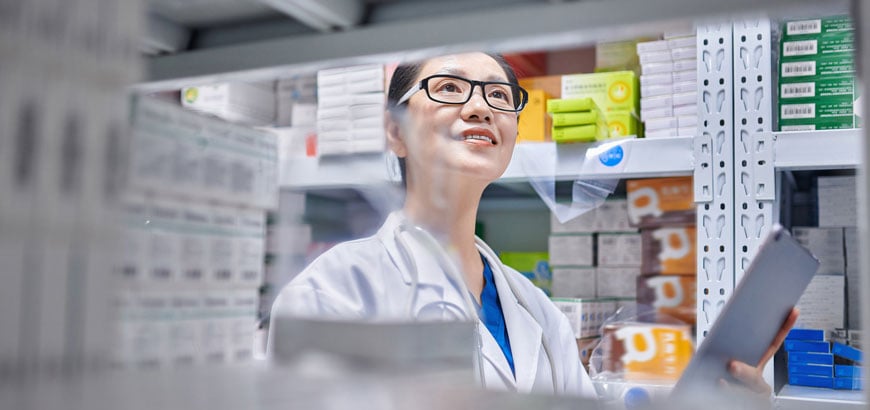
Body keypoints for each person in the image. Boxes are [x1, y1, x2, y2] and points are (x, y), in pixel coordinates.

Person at [270, 52, 797, 400]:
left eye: (499, 96)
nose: (480, 106)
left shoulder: (537, 314)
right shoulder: (332, 293)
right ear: (395, 131)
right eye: (449, 88)